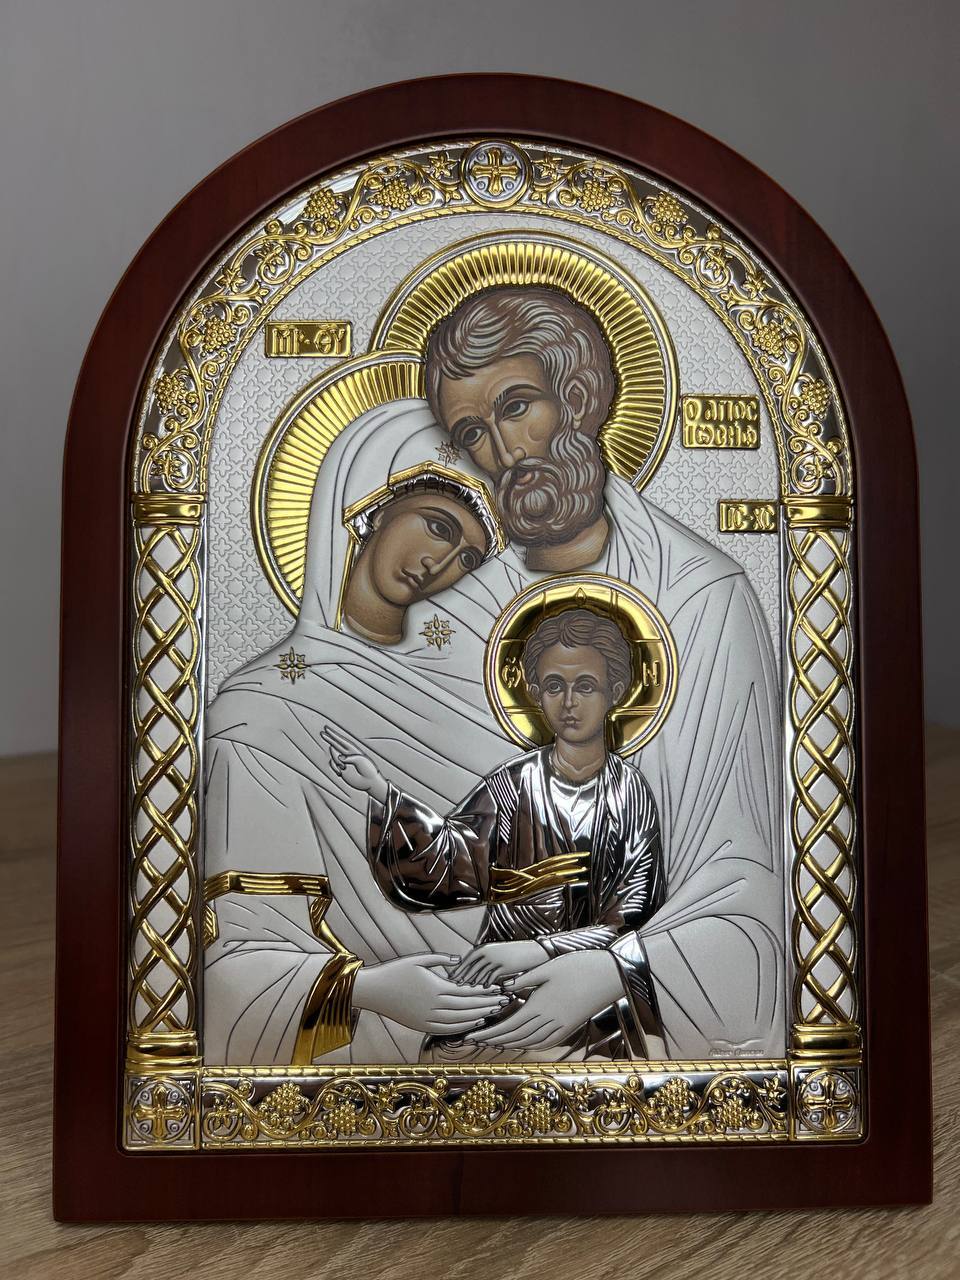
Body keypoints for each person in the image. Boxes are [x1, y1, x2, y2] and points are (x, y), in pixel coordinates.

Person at [410, 286, 786, 1058]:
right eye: (473, 432)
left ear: (578, 397)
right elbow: (450, 859)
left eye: (517, 406)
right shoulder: (459, 610)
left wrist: (612, 970)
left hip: (628, 1007)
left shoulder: (702, 598)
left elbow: (742, 885)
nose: (505, 452)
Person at [202, 400, 514, 1066]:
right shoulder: (260, 710)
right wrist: (368, 990)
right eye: (436, 525)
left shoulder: (472, 698)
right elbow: (240, 959)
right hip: (371, 1045)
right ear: (370, 504)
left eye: (467, 556)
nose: (441, 562)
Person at [325, 607, 666, 1062]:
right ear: (535, 693)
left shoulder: (630, 795)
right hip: (501, 987)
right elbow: (451, 860)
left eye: (585, 685)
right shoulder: (510, 786)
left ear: (615, 691)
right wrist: (383, 794)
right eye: (554, 686)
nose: (569, 702)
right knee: (448, 1057)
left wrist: (540, 950)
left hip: (594, 996)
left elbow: (634, 920)